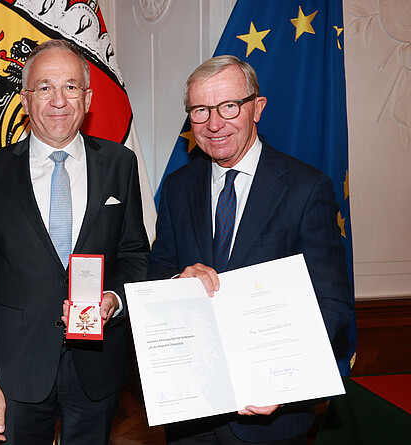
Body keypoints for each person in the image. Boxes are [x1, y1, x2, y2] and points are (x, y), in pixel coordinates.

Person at [148, 55, 354, 445]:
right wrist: (178, 280)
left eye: (228, 106)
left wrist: (283, 379)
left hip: (269, 422)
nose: (213, 123)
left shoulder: (305, 188)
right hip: (190, 414)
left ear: (256, 108)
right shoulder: (177, 187)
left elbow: (332, 301)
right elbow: (156, 271)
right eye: (200, 110)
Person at [0, 39, 149, 444]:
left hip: (97, 368)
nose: (58, 100)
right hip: (15, 369)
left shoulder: (120, 164)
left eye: (70, 87)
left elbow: (135, 255)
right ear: (26, 100)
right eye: (44, 87)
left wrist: (113, 300)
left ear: (88, 97)